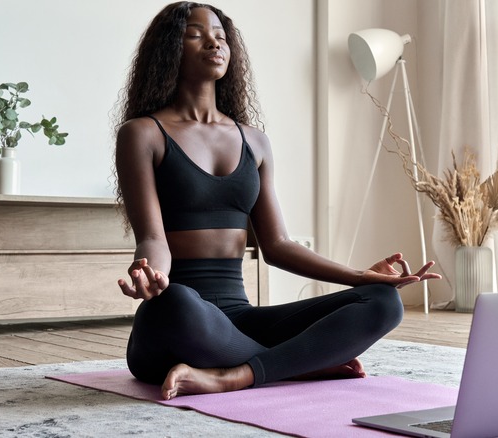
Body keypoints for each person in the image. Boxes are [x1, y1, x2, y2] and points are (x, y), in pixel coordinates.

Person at [114, 1, 441, 401]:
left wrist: (360, 277)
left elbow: (279, 246)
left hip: (240, 322)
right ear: (169, 49)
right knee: (176, 301)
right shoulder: (143, 134)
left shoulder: (255, 141)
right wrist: (150, 274)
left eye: (220, 35)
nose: (214, 42)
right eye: (196, 34)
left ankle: (235, 376)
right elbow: (152, 238)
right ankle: (300, 365)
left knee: (383, 302)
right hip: (178, 323)